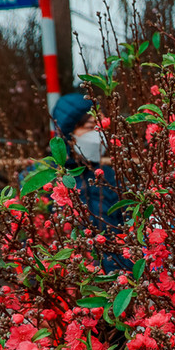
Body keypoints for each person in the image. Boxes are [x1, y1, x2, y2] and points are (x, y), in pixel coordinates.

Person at [51, 92, 125, 241]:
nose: (98, 136)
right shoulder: (48, 180)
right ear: (68, 132)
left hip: (114, 262)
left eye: (100, 129)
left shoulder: (109, 176)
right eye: (91, 127)